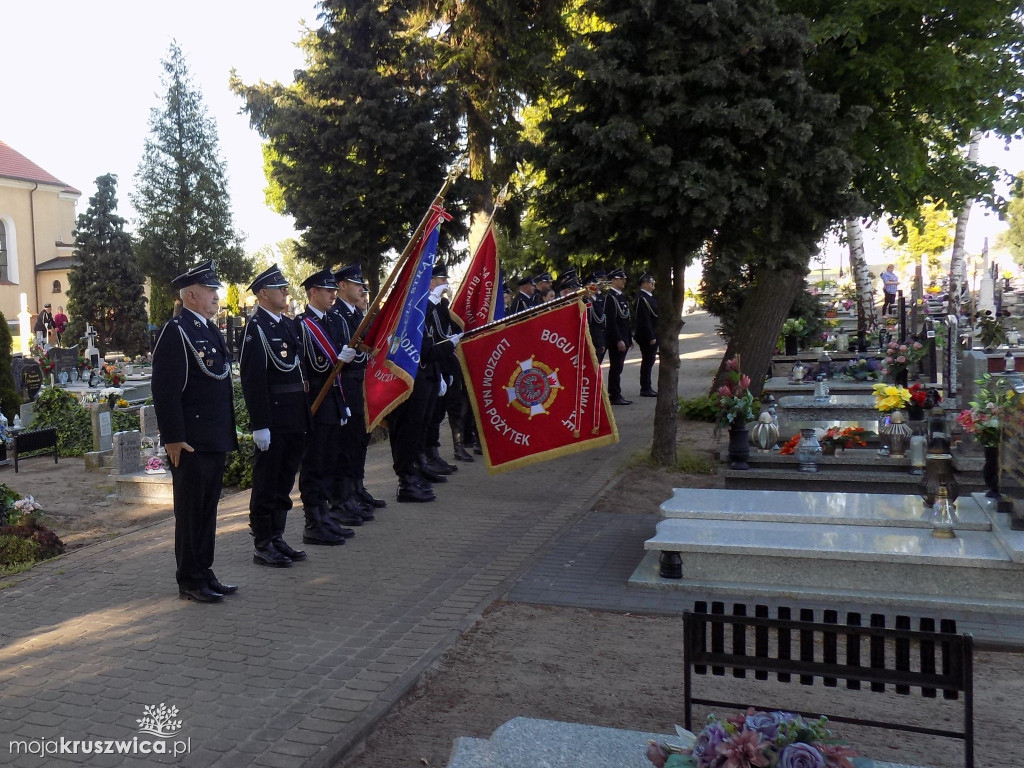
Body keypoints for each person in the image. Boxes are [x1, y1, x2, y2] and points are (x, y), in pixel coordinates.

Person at [151, 261, 237, 604]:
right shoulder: (177, 331)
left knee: (208, 509)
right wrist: (172, 436)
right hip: (189, 441)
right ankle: (189, 577)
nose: (216, 296)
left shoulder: (208, 328)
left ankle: (204, 569)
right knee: (190, 512)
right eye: (210, 290)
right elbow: (165, 388)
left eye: (215, 290)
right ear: (190, 294)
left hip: (212, 435)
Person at [240, 265, 312, 568]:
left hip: (294, 416)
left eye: (285, 287)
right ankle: (263, 542)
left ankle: (277, 535)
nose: (286, 292)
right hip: (274, 418)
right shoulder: (255, 329)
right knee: (267, 481)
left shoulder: (286, 325)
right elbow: (252, 379)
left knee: (284, 481)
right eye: (279, 288)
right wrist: (260, 425)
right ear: (262, 294)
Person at [295, 268, 356, 546]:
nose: (333, 295)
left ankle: (326, 515)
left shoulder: (335, 321)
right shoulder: (302, 324)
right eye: (327, 290)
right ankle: (313, 522)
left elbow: (345, 356)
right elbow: (308, 366)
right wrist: (336, 361)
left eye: (334, 290)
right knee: (315, 463)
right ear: (312, 293)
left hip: (335, 399)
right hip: (316, 402)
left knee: (330, 459)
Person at [330, 264, 384, 522]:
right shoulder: (337, 314)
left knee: (359, 441)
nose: (362, 289)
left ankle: (356, 489)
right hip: (347, 384)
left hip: (360, 382)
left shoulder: (354, 313)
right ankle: (343, 497)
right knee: (346, 444)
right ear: (342, 286)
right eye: (356, 284)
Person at [603, 267, 633, 405]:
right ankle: (614, 394)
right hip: (617, 339)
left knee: (619, 367)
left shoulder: (621, 296)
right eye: (621, 278)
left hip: (624, 337)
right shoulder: (610, 298)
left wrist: (629, 337)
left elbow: (625, 320)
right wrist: (619, 339)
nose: (624, 281)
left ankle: (616, 393)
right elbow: (611, 321)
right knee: (616, 367)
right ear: (614, 280)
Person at [634, 273, 658, 397]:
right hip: (647, 336)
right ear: (644, 284)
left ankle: (647, 386)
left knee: (650, 360)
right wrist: (651, 336)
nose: (653, 285)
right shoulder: (642, 299)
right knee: (647, 361)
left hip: (654, 334)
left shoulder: (650, 297)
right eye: (651, 282)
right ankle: (645, 387)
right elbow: (643, 320)